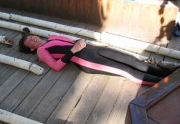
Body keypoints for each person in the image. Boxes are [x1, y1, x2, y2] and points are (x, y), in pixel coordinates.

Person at [19, 28, 175, 86]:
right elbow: (56, 66)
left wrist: (79, 42)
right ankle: (168, 85)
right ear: (32, 48)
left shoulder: (51, 37)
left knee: (132, 60)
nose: (32, 39)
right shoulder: (41, 51)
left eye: (31, 36)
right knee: (125, 70)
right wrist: (73, 50)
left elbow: (72, 42)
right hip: (86, 60)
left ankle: (172, 75)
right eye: (29, 42)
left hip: (93, 50)